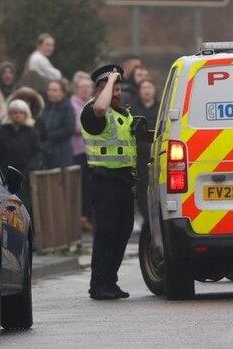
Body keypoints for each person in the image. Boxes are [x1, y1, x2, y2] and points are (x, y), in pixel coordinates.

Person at [80, 65, 147, 300]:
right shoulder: (93, 112)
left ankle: (110, 280)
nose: (118, 93)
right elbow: (100, 107)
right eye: (113, 89)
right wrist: (108, 83)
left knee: (122, 233)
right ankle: (98, 284)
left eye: (119, 89)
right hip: (104, 181)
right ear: (101, 89)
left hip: (124, 183)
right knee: (106, 233)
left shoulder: (124, 114)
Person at [0, 100, 42, 215]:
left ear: (26, 114)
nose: (17, 115)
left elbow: (37, 153)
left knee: (23, 208)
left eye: (21, 112)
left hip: (24, 177)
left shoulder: (32, 133)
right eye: (15, 112)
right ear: (10, 114)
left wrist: (29, 170)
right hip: (4, 176)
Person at [129, 78, 159, 217]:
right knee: (142, 186)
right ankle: (146, 216)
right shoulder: (133, 109)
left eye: (149, 87)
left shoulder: (160, 107)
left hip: (157, 152)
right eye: (144, 88)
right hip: (139, 154)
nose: (146, 90)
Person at [71, 72, 94, 232]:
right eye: (82, 87)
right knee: (80, 185)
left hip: (93, 151)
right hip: (78, 151)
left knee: (90, 186)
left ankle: (88, 217)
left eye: (88, 87)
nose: (85, 90)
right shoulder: (72, 104)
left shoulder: (94, 103)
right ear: (76, 89)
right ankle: (80, 218)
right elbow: (76, 127)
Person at [41, 80, 75, 170]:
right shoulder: (47, 107)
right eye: (49, 90)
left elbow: (69, 129)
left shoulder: (67, 108)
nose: (50, 93)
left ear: (63, 92)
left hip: (62, 153)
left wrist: (48, 135)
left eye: (54, 90)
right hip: (48, 152)